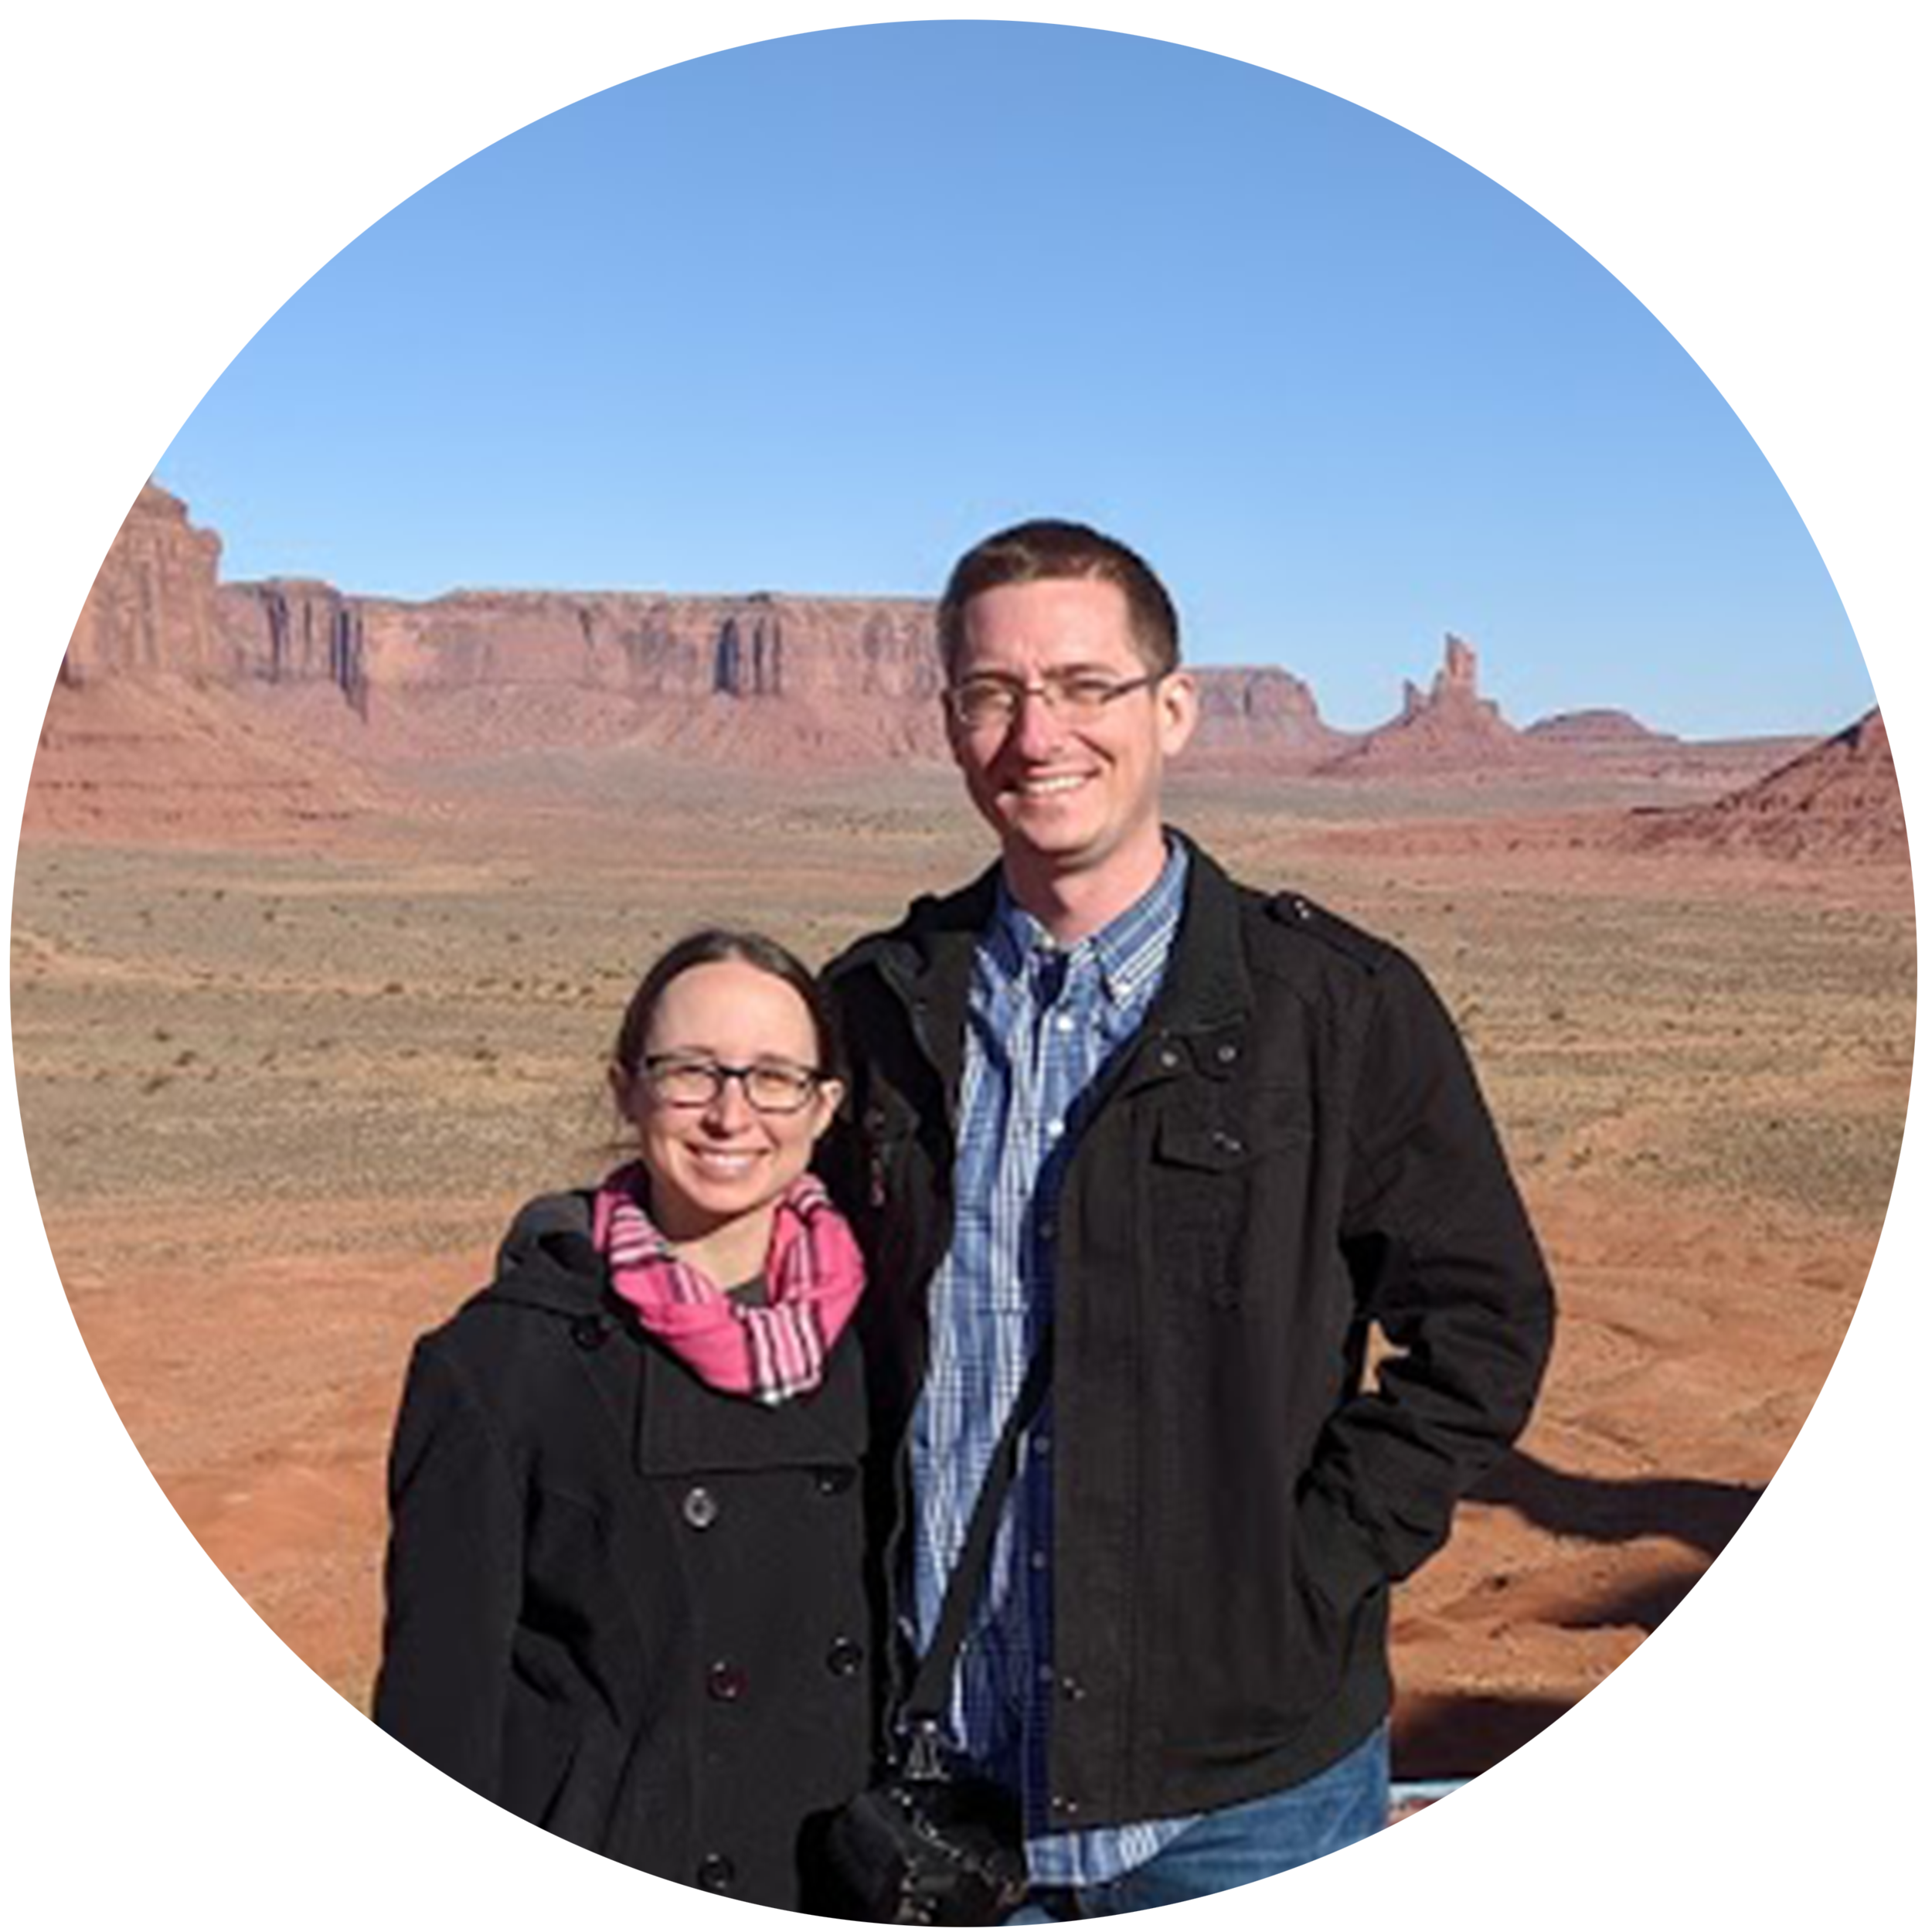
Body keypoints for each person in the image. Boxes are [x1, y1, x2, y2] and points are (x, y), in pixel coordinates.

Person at [820, 520, 1557, 1929]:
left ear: (1173, 708)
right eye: (993, 693)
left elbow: (1487, 1320)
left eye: (1083, 686)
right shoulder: (876, 1008)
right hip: (949, 1782)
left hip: (1250, 1797)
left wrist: (1307, 1575)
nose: (1038, 735)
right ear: (951, 722)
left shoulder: (1332, 1008)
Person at [372, 930, 872, 1929]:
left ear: (824, 1108)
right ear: (626, 1090)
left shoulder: (885, 1340)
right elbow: (436, 1734)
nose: (731, 1114)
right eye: (691, 1072)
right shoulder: (503, 1364)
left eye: (774, 1078)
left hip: (836, 1888)